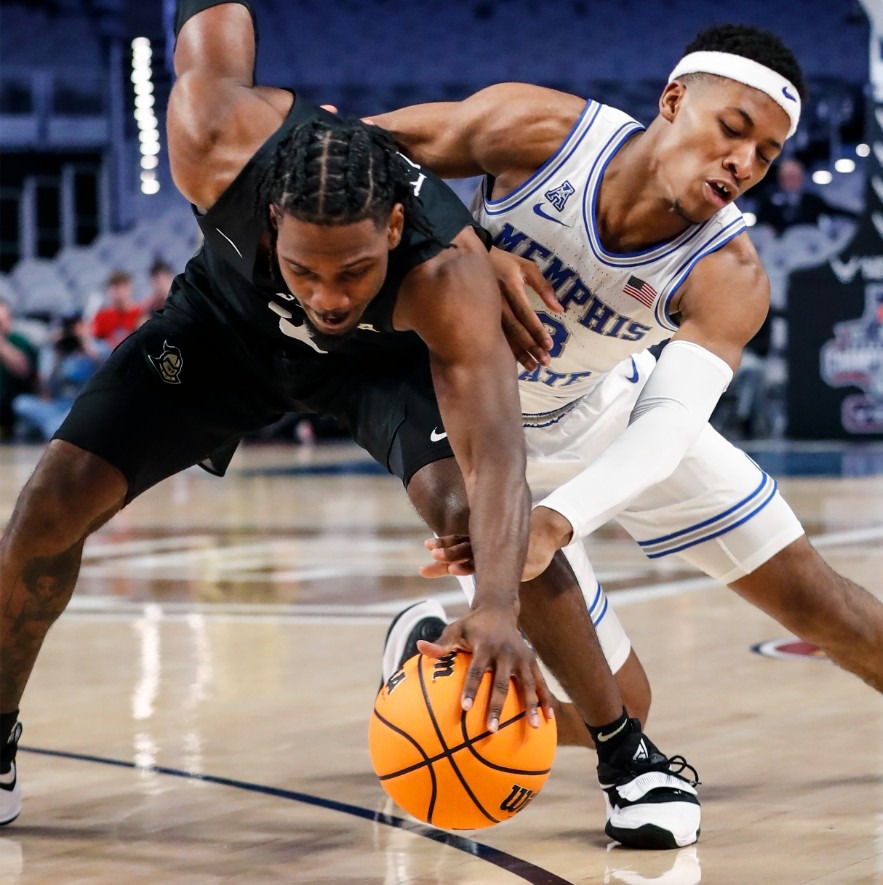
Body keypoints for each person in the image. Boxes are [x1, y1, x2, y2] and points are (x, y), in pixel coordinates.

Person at [373, 22, 883, 850]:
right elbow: (353, 155)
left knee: (815, 594)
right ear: (673, 101)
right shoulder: (539, 134)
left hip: (612, 414)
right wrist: (470, 244)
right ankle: (460, 672)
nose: (744, 163)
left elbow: (670, 424)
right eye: (731, 129)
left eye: (767, 154)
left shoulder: (729, 271)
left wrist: (563, 518)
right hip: (477, 435)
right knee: (623, 704)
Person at [0, 0, 558, 830]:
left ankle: (618, 741)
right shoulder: (209, 137)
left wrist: (499, 606)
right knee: (49, 503)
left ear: (396, 227)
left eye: (356, 269)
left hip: (375, 367)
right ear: (269, 218)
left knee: (469, 519)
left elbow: (499, 456)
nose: (330, 297)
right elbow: (210, 23)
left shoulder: (449, 273)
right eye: (307, 268)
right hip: (224, 333)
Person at [11, 314, 104, 440]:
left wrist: (85, 345)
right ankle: (61, 428)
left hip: (81, 406)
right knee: (21, 403)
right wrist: (56, 354)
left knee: (51, 428)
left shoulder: (98, 348)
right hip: (57, 405)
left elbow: (104, 374)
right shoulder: (54, 351)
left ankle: (54, 428)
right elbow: (45, 388)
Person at [755, 157, 856, 235]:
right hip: (782, 254)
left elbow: (834, 211)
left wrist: (859, 218)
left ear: (802, 178)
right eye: (788, 177)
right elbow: (760, 226)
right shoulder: (769, 202)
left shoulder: (812, 200)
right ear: (780, 179)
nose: (792, 181)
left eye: (795, 176)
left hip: (810, 249)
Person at [0, 298, 37, 440]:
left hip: (14, 400)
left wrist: (2, 346)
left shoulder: (20, 341)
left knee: (21, 404)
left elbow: (23, 370)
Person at [90, 269, 144, 348]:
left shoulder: (142, 313)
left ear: (129, 288)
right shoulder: (103, 316)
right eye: (115, 289)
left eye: (122, 288)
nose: (118, 294)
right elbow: (93, 343)